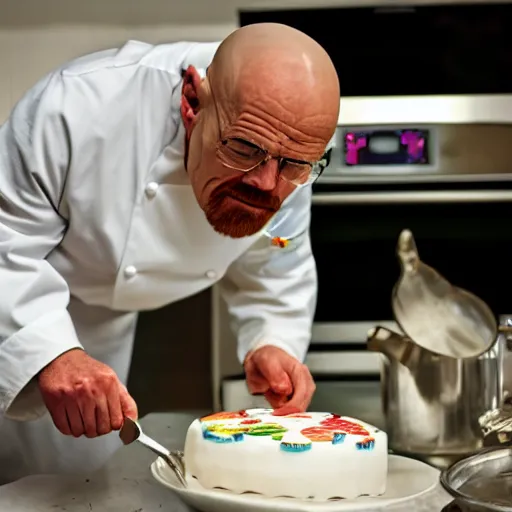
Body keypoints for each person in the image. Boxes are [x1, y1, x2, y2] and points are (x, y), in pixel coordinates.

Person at [0, 22, 340, 482]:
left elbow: (277, 262)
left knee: (64, 491)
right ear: (192, 103)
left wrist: (272, 342)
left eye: (294, 165)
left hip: (101, 344)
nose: (266, 182)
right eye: (242, 148)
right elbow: (6, 243)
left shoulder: (286, 151)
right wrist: (49, 350)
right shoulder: (76, 109)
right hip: (24, 308)